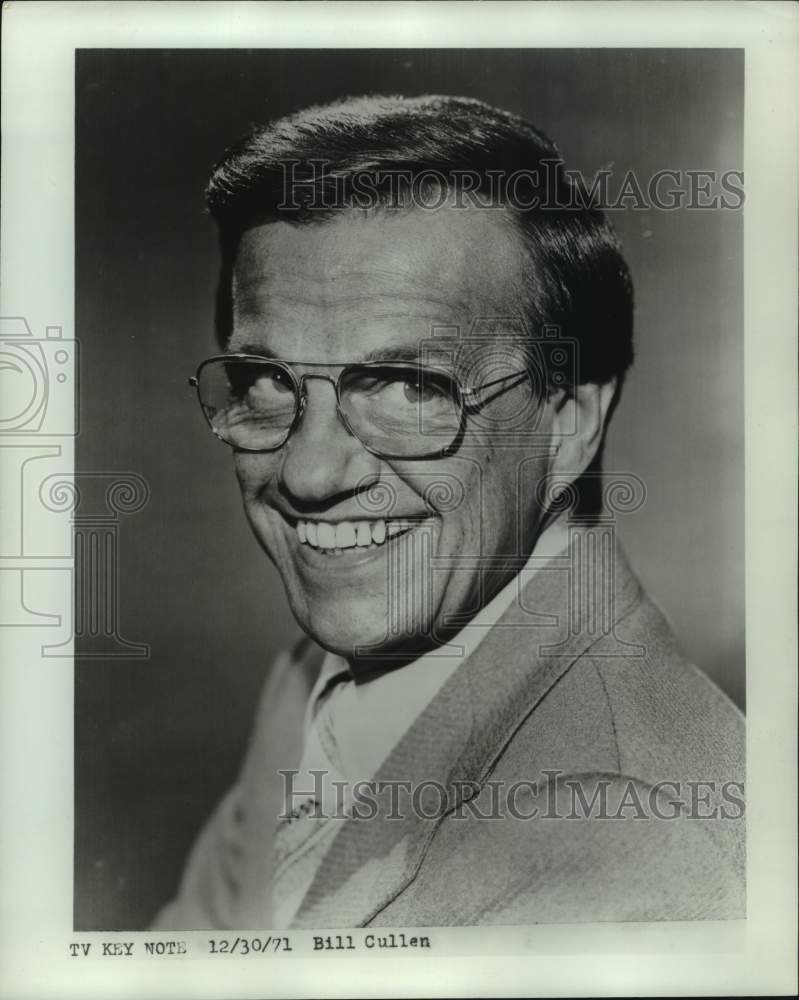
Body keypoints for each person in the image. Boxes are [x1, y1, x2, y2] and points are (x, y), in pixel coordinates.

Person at [154, 94, 744, 929]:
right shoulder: (311, 678)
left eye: (409, 386)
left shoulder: (634, 844)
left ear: (566, 423)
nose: (312, 474)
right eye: (265, 381)